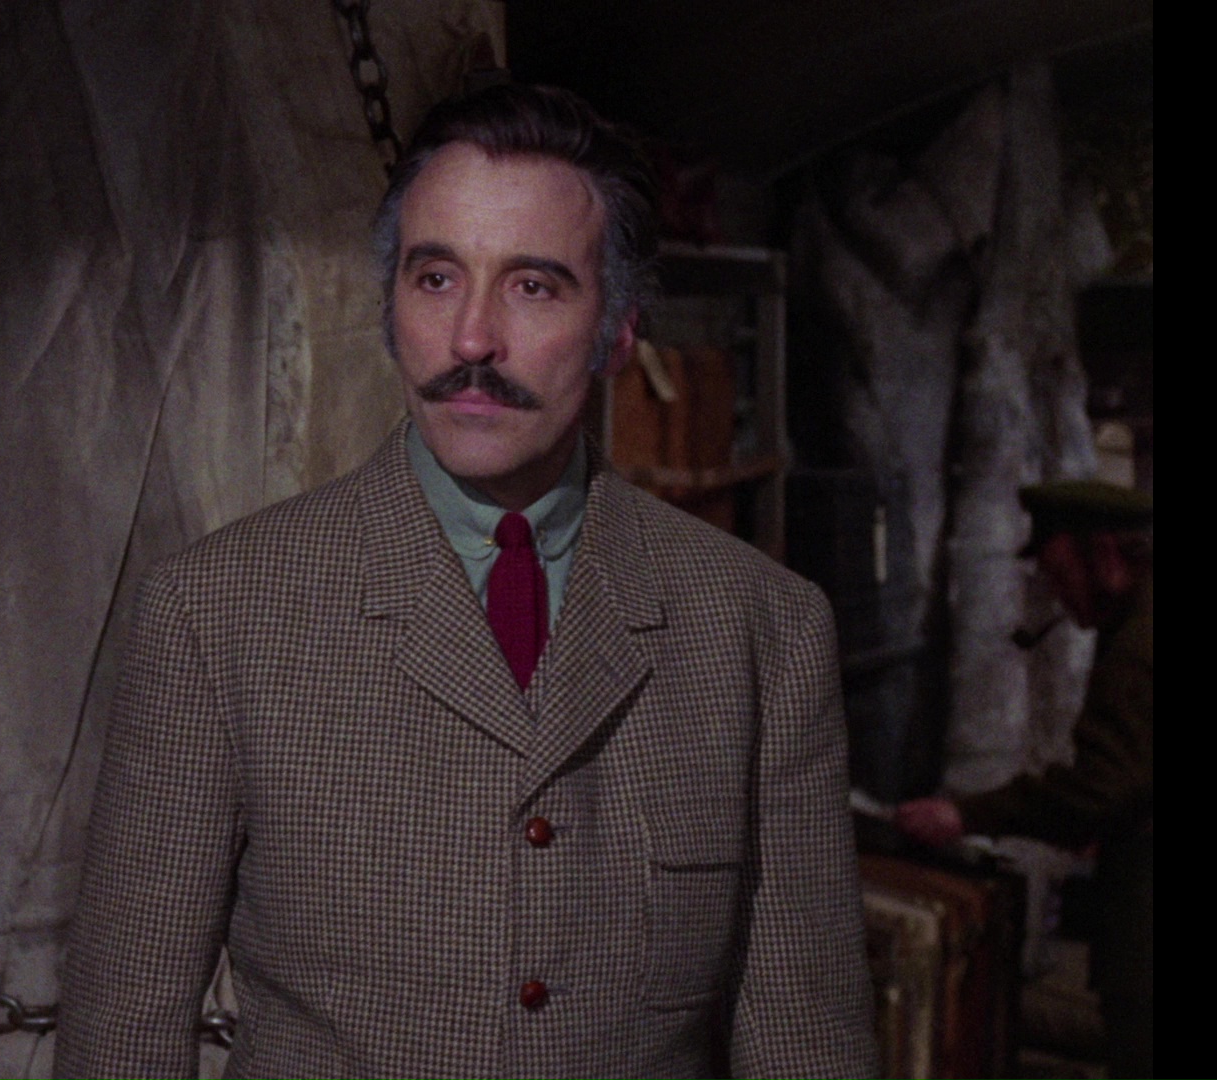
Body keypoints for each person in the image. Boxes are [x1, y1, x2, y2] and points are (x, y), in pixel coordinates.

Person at [57, 82, 876, 1079]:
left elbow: (806, 1045)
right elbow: (122, 1040)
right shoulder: (218, 614)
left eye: (533, 287)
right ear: (389, 305)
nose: (472, 340)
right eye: (437, 278)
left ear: (619, 329)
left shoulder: (761, 630)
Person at [896, 480, 1153, 1080]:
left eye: (1061, 576)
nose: (1059, 598)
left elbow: (1100, 788)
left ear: (1106, 556)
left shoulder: (1138, 648)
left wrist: (964, 815)